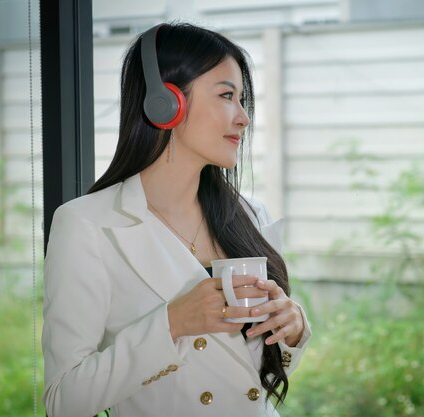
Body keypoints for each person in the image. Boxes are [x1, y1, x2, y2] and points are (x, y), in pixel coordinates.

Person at [42, 22, 310, 417]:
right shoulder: (86, 225)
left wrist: (294, 330)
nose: (243, 118)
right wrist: (171, 324)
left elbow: (252, 378)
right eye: (226, 96)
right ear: (166, 103)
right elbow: (63, 402)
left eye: (242, 100)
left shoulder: (251, 215)